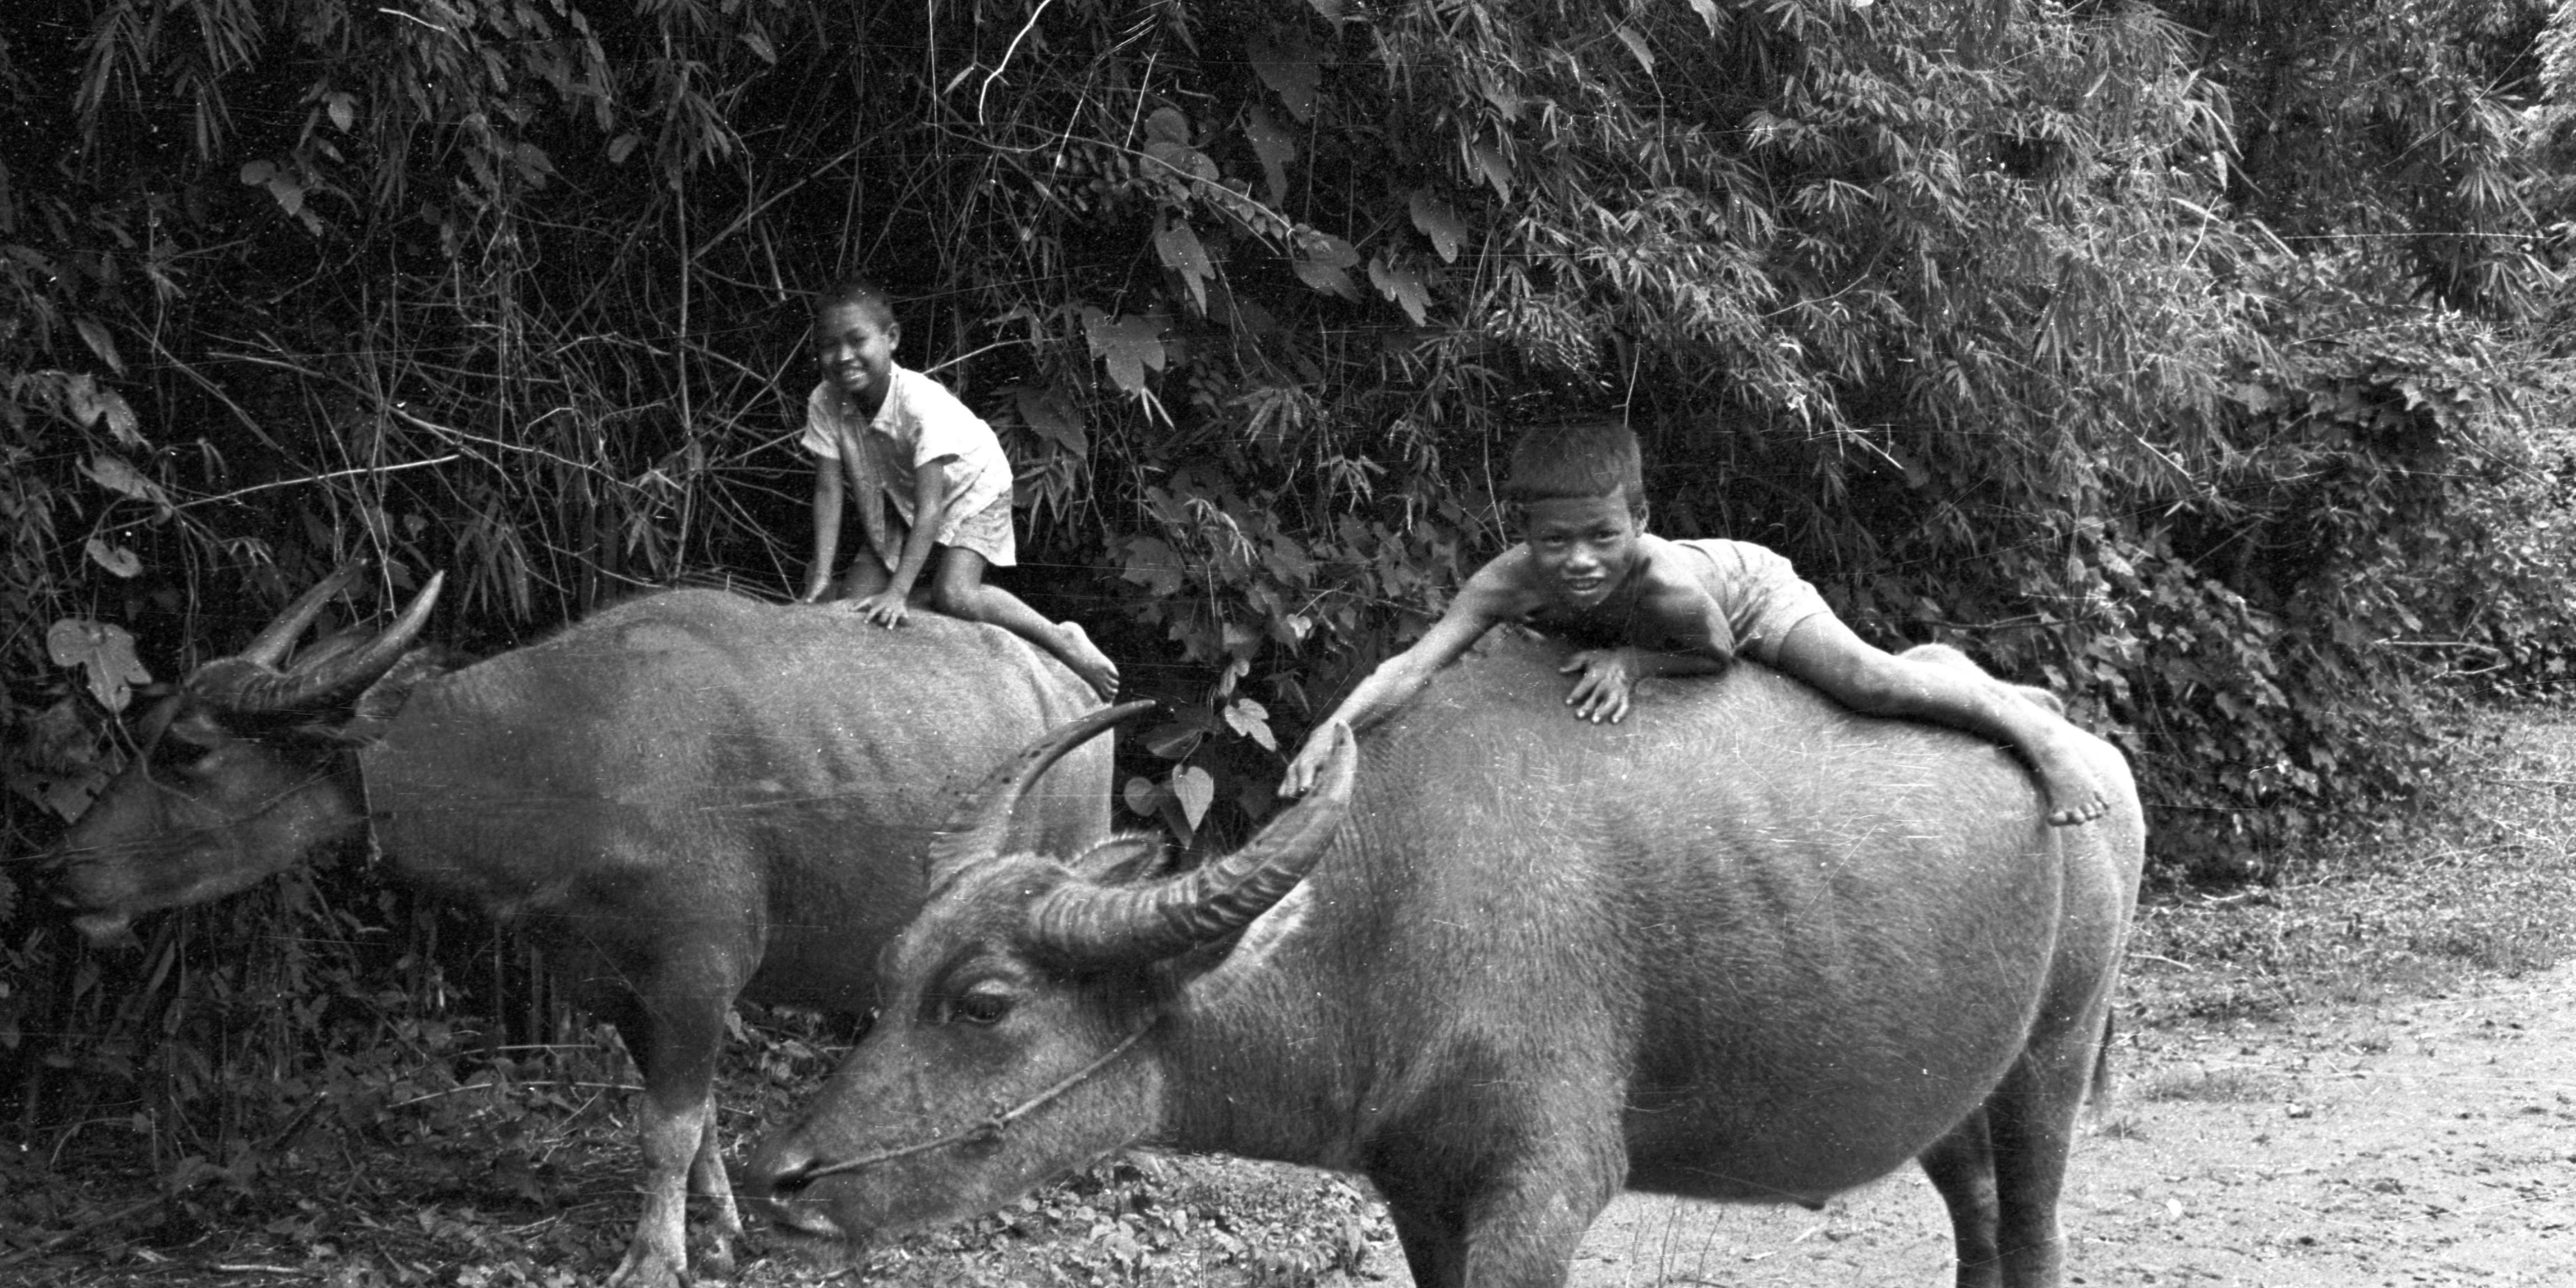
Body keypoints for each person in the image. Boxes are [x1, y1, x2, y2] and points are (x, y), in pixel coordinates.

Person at [1280, 421, 2113, 824]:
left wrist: (1634, 663)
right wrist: (1332, 731)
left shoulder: (1666, 581)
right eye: (1554, 541)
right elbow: (1411, 665)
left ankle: (2034, 733)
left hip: (1742, 600)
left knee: (1869, 681)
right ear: (1523, 533)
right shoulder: (1506, 580)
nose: (1578, 561)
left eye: (1602, 536)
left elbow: (1714, 656)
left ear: (1639, 521)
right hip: (1643, 622)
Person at [798, 280, 1120, 699]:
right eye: (828, 345)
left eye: (857, 340)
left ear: (891, 338)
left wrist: (898, 592)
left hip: (972, 487)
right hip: (900, 493)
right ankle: (916, 605)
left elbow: (931, 509)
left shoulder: (919, 403)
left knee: (954, 594)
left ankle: (1062, 638)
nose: (843, 356)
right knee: (850, 605)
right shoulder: (825, 400)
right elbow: (828, 491)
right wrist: (822, 576)